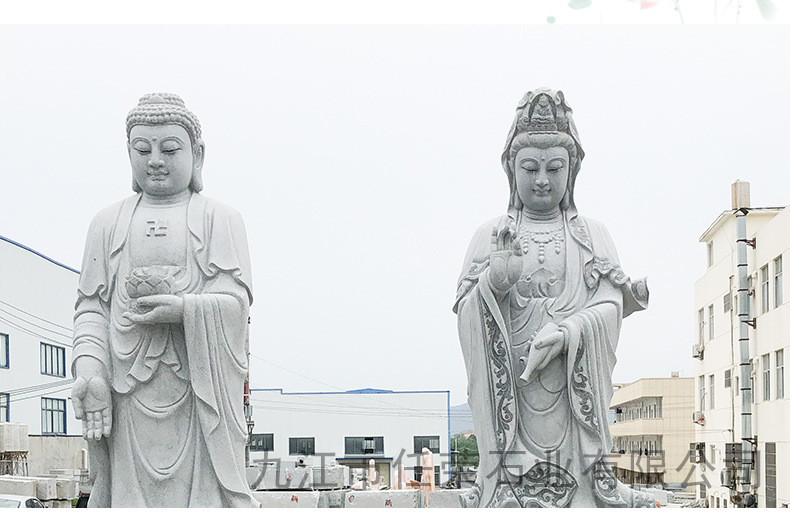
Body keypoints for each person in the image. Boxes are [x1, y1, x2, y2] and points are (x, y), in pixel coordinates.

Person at [453, 88, 653, 508]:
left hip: (572, 388)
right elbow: (467, 314)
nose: (542, 179)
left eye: (554, 168)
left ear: (571, 171)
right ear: (512, 171)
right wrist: (497, 281)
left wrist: (568, 333)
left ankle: (586, 491)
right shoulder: (490, 235)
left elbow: (611, 306)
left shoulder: (592, 235)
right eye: (530, 168)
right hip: (512, 391)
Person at [71, 93, 259, 507]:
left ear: (198, 154)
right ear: (129, 155)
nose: (155, 160)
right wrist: (92, 372)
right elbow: (91, 309)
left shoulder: (220, 219)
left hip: (200, 397)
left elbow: (236, 305)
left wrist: (185, 310)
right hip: (127, 397)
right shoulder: (107, 223)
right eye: (143, 150)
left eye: (170, 149)